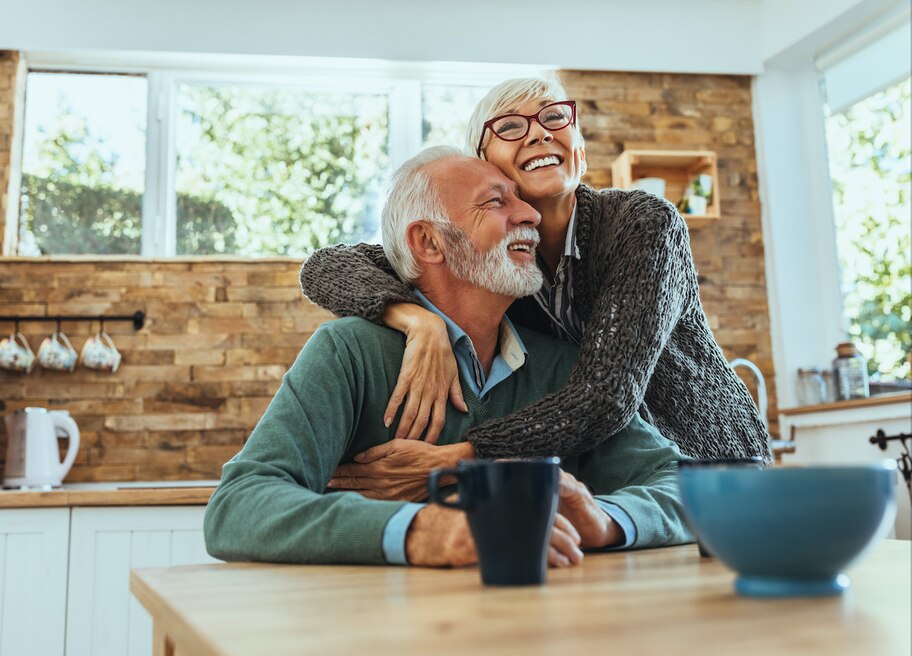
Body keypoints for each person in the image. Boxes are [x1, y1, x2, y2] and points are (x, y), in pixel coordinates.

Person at [204, 147, 693, 567]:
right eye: (496, 202)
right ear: (429, 242)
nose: (530, 215)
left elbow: (683, 487)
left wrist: (605, 520)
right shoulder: (349, 352)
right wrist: (424, 531)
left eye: (520, 200)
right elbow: (238, 506)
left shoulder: (563, 367)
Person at [299, 77, 770, 500]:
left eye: (553, 117)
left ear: (579, 151)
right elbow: (326, 266)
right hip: (609, 483)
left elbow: (606, 395)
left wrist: (458, 457)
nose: (540, 132)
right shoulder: (492, 260)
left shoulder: (643, 224)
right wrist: (416, 319)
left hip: (708, 463)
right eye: (509, 126)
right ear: (485, 166)